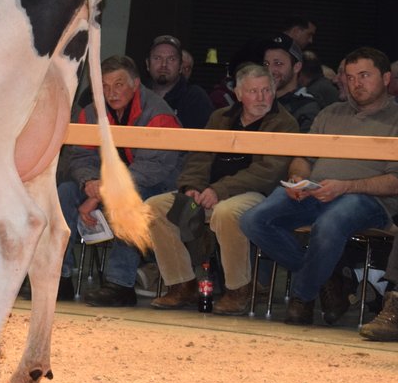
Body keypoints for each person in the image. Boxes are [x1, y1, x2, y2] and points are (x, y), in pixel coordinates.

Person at [241, 46, 398, 326]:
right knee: (254, 219)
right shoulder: (330, 113)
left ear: (386, 78)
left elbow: (394, 182)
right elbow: (303, 156)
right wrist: (296, 179)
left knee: (329, 224)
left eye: (364, 75)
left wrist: (344, 187)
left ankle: (302, 297)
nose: (356, 84)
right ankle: (328, 277)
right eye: (349, 77)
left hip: (367, 200)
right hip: (313, 190)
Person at [144, 63, 297, 313]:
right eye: (253, 91)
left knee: (227, 212)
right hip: (207, 192)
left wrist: (220, 190)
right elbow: (199, 157)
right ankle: (182, 284)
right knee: (154, 207)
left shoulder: (284, 122)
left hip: (257, 194)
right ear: (238, 94)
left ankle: (238, 290)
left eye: (266, 90)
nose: (261, 97)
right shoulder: (221, 117)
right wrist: (192, 186)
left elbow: (270, 171)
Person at [60, 55, 185, 307]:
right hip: (106, 183)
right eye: (104, 86)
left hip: (157, 185)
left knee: (131, 196)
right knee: (65, 192)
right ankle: (57, 277)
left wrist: (100, 193)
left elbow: (153, 168)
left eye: (119, 84)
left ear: (135, 84)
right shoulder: (91, 112)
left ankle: (120, 284)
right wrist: (90, 182)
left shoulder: (157, 113)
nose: (111, 92)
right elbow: (80, 155)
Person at [145, 34, 214, 129]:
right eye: (157, 58)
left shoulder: (195, 98)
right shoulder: (137, 95)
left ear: (181, 66)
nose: (164, 64)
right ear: (148, 64)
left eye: (171, 59)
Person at [263, 33, 319, 132]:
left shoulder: (307, 107)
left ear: (296, 67)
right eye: (266, 64)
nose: (270, 70)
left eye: (278, 64)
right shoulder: (257, 100)